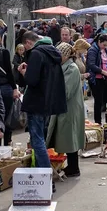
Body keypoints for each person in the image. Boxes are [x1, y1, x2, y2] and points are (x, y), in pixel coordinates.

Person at [17, 32, 67, 187]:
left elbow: (32, 80)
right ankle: (42, 176)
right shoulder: (52, 52)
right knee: (40, 139)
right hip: (48, 103)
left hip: (36, 102)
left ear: (27, 43)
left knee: (37, 140)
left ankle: (45, 179)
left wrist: (24, 72)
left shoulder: (37, 54)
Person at [46, 43, 85, 178]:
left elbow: (66, 91)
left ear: (66, 55)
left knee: (70, 138)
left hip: (70, 109)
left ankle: (74, 168)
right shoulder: (64, 67)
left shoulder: (72, 69)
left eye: (60, 54)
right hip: (65, 108)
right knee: (68, 137)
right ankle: (72, 167)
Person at [86, 34, 107, 124]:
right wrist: (103, 72)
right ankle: (98, 123)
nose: (105, 47)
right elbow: (91, 65)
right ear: (99, 42)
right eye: (104, 45)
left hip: (106, 78)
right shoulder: (92, 50)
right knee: (99, 101)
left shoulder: (106, 50)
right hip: (97, 79)